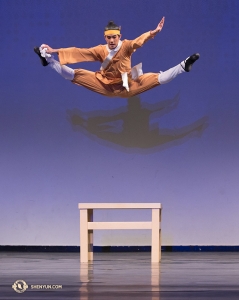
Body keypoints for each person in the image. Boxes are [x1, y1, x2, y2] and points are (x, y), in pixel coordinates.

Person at [34, 17, 199, 98]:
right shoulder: (100, 50)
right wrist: (54, 50)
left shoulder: (126, 46)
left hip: (128, 84)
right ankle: (48, 61)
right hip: (105, 84)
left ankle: (184, 65)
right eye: (109, 37)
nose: (112, 40)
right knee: (73, 75)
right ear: (105, 38)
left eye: (114, 37)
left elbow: (138, 42)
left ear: (119, 36)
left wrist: (152, 33)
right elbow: (79, 52)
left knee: (159, 78)